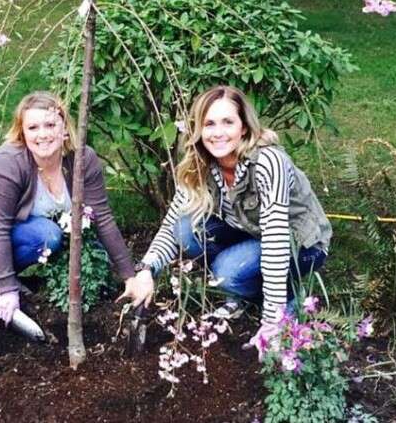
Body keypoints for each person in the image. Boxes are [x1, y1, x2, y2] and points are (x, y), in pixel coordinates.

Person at [126, 85, 332, 343]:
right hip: (252, 232)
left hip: (301, 244)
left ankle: (289, 297)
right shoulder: (200, 164)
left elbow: (276, 240)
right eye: (209, 124)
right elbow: (171, 226)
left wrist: (272, 319)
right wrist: (146, 270)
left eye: (228, 122)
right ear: (199, 130)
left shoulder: (268, 163)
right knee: (185, 228)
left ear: (244, 127)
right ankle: (243, 287)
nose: (218, 133)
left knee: (226, 272)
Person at [0, 91, 143, 325]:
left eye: (50, 125)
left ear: (65, 128)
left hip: (23, 222)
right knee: (48, 237)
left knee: (95, 250)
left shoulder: (82, 159)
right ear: (22, 132)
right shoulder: (8, 163)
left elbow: (102, 217)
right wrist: (7, 290)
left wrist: (129, 276)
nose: (42, 134)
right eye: (33, 128)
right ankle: (0, 275)